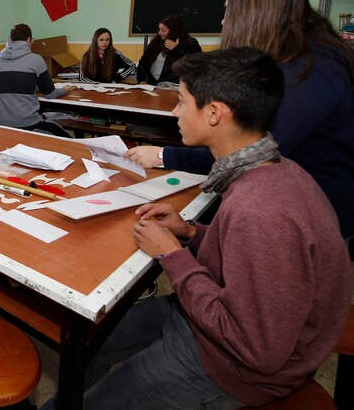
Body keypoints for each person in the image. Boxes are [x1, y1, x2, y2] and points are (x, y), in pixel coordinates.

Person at [44, 48, 352, 410]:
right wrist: (191, 233)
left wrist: (173, 256)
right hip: (207, 316)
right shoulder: (273, 169)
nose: (174, 112)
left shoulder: (261, 209)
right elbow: (247, 262)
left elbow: (258, 351)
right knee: (87, 341)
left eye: (181, 101)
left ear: (214, 113)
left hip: (230, 364)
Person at [125, 0, 354, 253]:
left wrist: (163, 154)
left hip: (309, 222)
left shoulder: (312, 71)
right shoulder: (303, 59)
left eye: (228, 11)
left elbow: (247, 150)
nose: (223, 22)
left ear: (257, 14)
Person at [0, 23, 75, 137]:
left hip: (0, 121)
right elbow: (50, 94)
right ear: (29, 39)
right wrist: (65, 89)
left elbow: (13, 82)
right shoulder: (36, 59)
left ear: (10, 39)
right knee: (66, 137)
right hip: (26, 123)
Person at [136, 15, 202, 85]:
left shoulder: (190, 43)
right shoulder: (156, 41)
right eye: (159, 29)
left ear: (174, 31)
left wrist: (177, 49)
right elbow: (143, 62)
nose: (159, 33)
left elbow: (195, 64)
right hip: (152, 86)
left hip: (173, 87)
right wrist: (141, 79)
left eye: (163, 30)